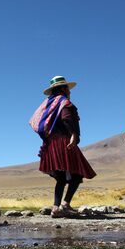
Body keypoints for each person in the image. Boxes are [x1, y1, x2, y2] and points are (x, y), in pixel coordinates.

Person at [30, 76, 96, 218]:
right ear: (63, 89)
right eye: (67, 88)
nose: (69, 91)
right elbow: (66, 118)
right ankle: (65, 205)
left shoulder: (49, 104)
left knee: (61, 177)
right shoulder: (64, 102)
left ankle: (56, 207)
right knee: (77, 173)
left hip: (50, 143)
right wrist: (73, 134)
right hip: (63, 142)